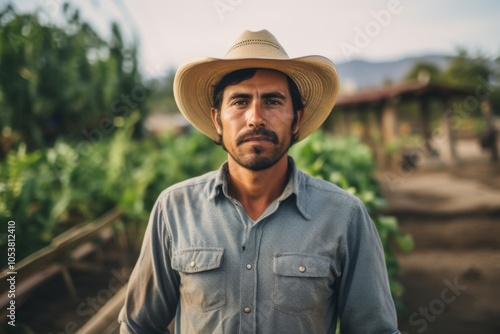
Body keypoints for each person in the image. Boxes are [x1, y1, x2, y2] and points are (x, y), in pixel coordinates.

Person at [119, 29, 400, 334]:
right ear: (217, 119)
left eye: (273, 101)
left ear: (298, 118)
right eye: (239, 102)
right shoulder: (174, 209)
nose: (255, 118)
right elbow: (138, 326)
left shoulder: (344, 216)